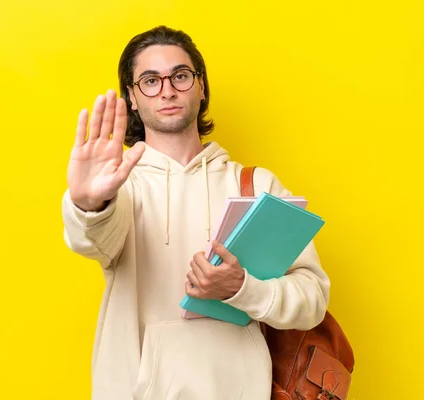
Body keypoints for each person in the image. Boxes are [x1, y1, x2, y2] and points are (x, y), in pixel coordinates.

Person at [61, 25, 330, 400]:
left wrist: (241, 289)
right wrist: (89, 203)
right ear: (133, 98)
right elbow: (92, 239)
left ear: (201, 87)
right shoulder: (121, 187)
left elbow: (312, 300)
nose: (167, 90)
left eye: (180, 76)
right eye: (150, 80)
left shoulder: (257, 187)